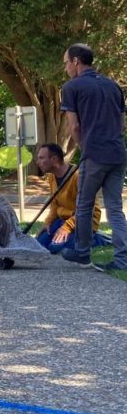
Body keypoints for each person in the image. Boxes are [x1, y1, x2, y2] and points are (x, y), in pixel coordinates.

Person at [60, 44, 127, 271]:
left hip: (95, 154)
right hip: (118, 153)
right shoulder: (113, 86)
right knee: (115, 207)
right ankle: (122, 259)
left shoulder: (72, 87)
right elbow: (121, 124)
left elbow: (75, 126)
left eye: (66, 62)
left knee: (84, 204)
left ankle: (82, 252)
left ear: (77, 61)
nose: (66, 67)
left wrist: (85, 147)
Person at [36, 143, 106, 255]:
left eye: (41, 158)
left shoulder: (78, 177)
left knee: (55, 248)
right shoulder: (52, 177)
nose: (38, 162)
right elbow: (55, 203)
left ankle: (98, 239)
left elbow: (87, 209)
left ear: (54, 159)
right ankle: (72, 237)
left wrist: (66, 228)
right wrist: (48, 222)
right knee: (39, 245)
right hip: (62, 220)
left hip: (83, 221)